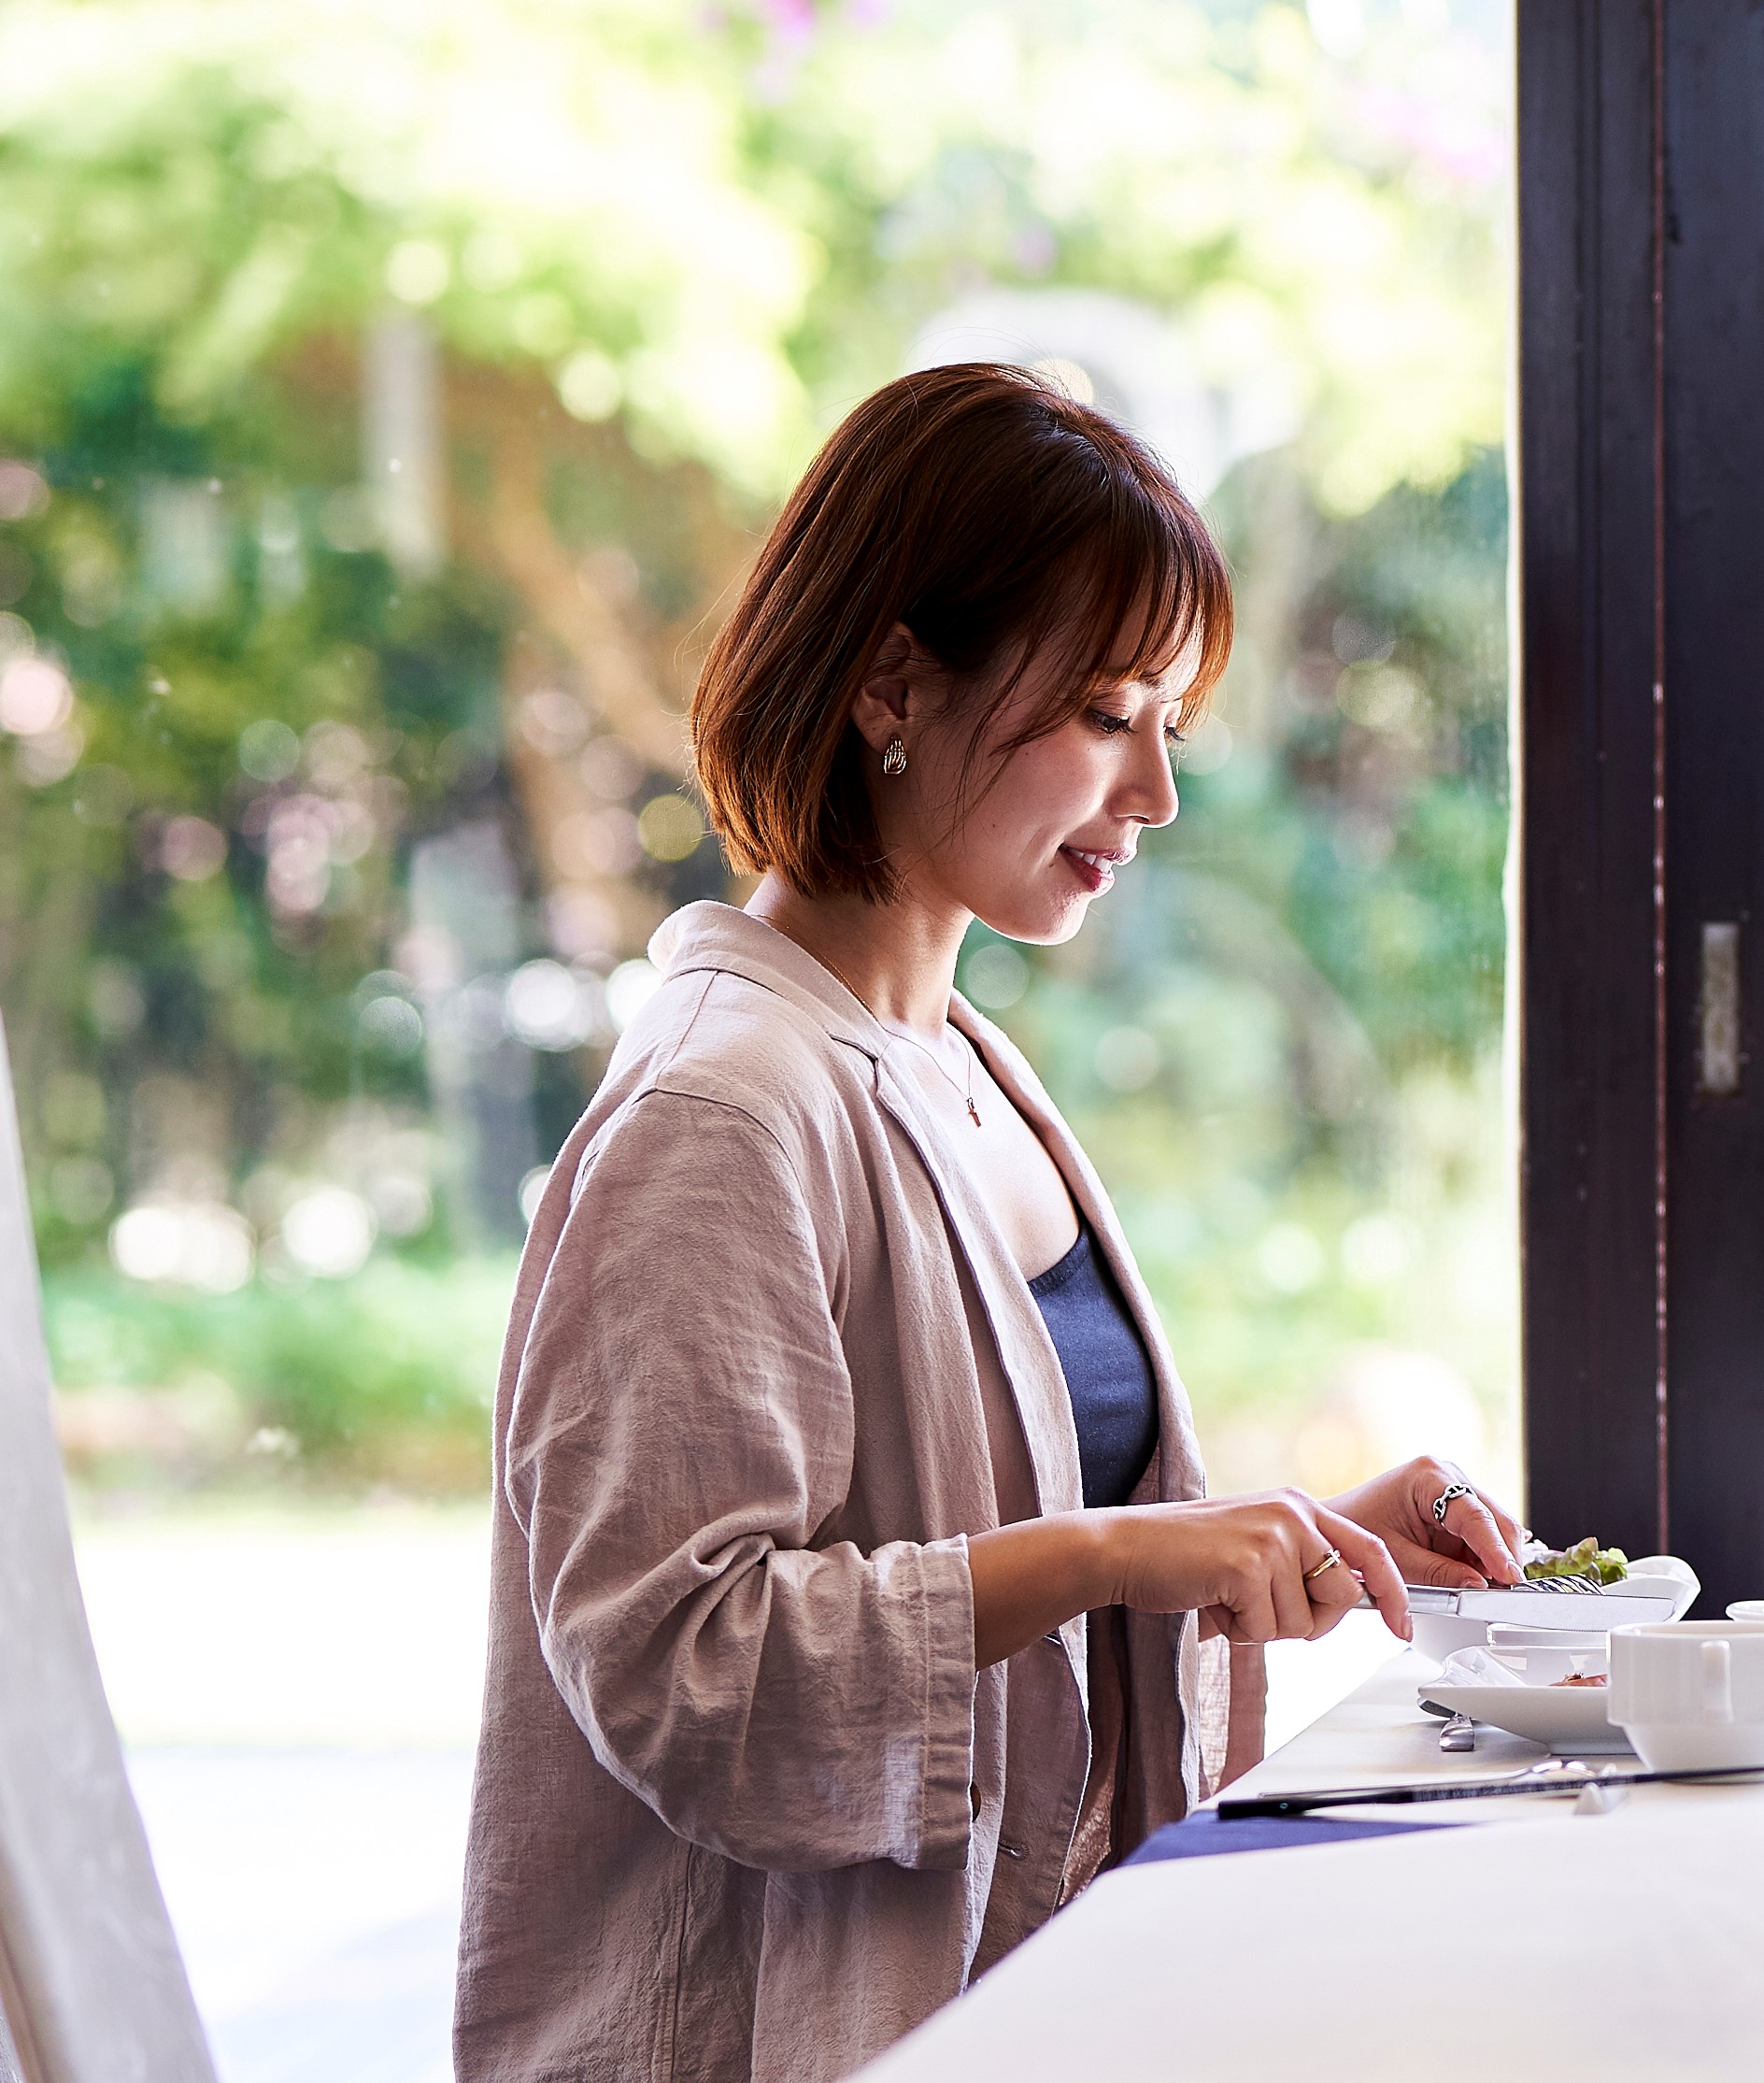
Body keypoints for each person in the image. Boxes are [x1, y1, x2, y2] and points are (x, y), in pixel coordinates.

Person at [457, 364, 1533, 2082]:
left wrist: (1298, 1539)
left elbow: (996, 1520)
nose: (1159, 792)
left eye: (1171, 717)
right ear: (894, 677)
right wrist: (1116, 1557)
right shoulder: (721, 1114)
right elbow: (685, 1670)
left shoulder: (952, 1060)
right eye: (1111, 711)